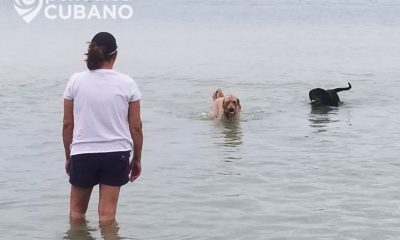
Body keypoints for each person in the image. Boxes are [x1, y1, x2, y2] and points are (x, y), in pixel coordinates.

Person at [62, 32, 143, 224]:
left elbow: (67, 125)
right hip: (116, 154)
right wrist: (137, 159)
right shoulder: (127, 83)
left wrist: (69, 155)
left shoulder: (75, 81)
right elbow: (136, 128)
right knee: (107, 218)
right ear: (115, 55)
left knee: (76, 214)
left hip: (83, 153)